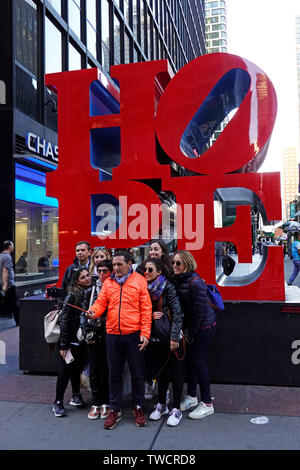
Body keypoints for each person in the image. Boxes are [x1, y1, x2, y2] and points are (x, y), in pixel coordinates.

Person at [87, 250, 152, 430]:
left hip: (134, 334)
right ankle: (114, 409)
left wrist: (145, 333)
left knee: (137, 374)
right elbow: (101, 302)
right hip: (113, 335)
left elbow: (146, 309)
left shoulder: (139, 281)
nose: (115, 268)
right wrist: (94, 311)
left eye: (119, 265)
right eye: (114, 265)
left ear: (129, 264)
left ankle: (138, 407)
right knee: (114, 374)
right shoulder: (108, 283)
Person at [172, 250, 217, 420]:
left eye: (178, 263)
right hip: (191, 326)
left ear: (187, 264)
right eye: (173, 262)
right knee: (190, 361)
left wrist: (191, 331)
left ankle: (207, 403)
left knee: (198, 361)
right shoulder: (178, 279)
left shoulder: (196, 282)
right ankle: (192, 396)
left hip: (203, 326)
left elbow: (199, 312)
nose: (174, 266)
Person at [144, 257, 184, 426]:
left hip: (169, 336)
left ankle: (176, 408)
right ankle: (161, 404)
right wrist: (150, 316)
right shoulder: (144, 288)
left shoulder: (168, 287)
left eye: (150, 270)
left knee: (175, 373)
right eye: (145, 269)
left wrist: (175, 337)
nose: (146, 272)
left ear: (159, 272)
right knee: (160, 372)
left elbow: (177, 313)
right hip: (155, 337)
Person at [53, 267, 91, 417]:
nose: (87, 278)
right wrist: (63, 344)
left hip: (80, 340)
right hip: (69, 340)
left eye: (88, 275)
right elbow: (64, 321)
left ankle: (76, 395)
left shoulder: (89, 292)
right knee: (65, 371)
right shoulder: (72, 295)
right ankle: (58, 402)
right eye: (83, 277)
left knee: (76, 368)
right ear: (77, 281)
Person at [80, 259, 112, 420]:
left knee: (107, 369)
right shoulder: (90, 290)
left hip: (110, 333)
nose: (101, 274)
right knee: (94, 369)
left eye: (105, 271)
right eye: (99, 271)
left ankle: (106, 402)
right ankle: (96, 402)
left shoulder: (114, 288)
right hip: (94, 332)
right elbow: (83, 314)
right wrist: (86, 332)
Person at [0, 241, 19, 326]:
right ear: (9, 246)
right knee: (15, 304)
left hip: (2, 284)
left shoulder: (0, 256)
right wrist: (5, 284)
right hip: (9, 284)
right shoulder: (7, 257)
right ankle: (19, 322)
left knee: (6, 303)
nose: (13, 247)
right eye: (12, 245)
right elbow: (5, 270)